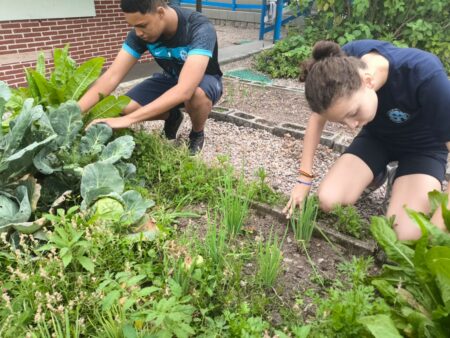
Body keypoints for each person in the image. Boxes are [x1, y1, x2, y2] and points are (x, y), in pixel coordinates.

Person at [283, 39, 450, 240]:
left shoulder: (425, 75)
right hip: (377, 139)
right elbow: (317, 118)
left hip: (424, 149)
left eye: (353, 113)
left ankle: (402, 178)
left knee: (407, 235)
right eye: (342, 120)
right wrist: (304, 178)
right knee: (327, 200)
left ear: (368, 81)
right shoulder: (341, 63)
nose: (352, 126)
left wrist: (441, 223)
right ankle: (376, 175)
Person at [78, 0, 223, 154]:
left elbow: (185, 89)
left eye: (142, 25)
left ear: (160, 13)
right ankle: (173, 116)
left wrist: (126, 121)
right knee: (125, 106)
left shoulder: (198, 28)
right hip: (169, 78)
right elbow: (111, 76)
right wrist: (73, 112)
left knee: (196, 95)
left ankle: (196, 133)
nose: (138, 32)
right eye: (133, 26)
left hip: (203, 80)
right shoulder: (140, 33)